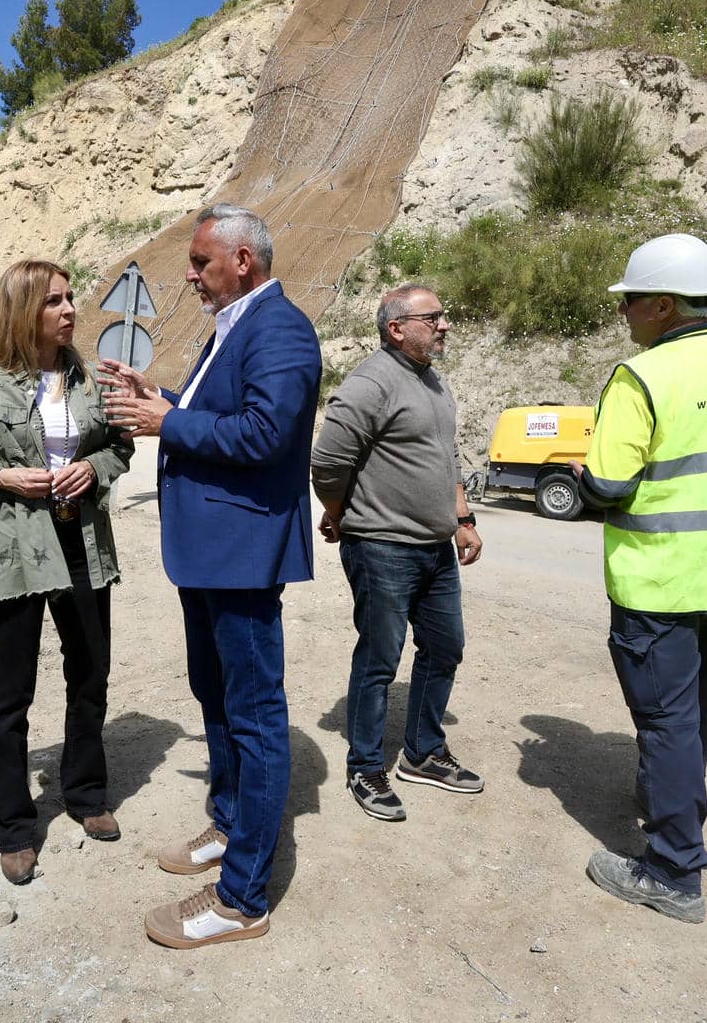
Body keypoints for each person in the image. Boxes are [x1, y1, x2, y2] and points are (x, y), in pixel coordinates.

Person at [99, 203, 321, 950]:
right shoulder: (235, 323)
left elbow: (264, 433)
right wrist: (160, 397)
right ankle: (229, 825)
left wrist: (167, 423)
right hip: (210, 553)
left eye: (200, 262)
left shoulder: (280, 329)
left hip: (241, 556)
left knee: (253, 715)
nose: (190, 275)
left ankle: (241, 898)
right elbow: (215, 410)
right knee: (216, 695)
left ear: (242, 262)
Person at [568, 233, 707, 925]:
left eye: (630, 300)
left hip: (659, 578)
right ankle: (671, 805)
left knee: (665, 720)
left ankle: (672, 870)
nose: (623, 312)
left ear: (664, 304)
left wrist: (581, 480)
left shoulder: (643, 378)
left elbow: (607, 483)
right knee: (694, 708)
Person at [0, 260, 134, 886]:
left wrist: (94, 469)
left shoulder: (89, 379)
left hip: (83, 542)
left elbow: (120, 447)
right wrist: (3, 478)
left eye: (70, 298)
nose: (69, 310)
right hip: (15, 548)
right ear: (23, 310)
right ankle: (15, 827)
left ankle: (87, 794)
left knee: (91, 673)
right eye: (54, 301)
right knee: (12, 690)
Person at [311, 284, 484, 824]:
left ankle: (423, 753)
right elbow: (328, 463)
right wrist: (341, 512)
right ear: (396, 328)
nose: (444, 325)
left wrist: (463, 520)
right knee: (380, 660)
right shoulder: (370, 383)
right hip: (382, 547)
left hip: (436, 549)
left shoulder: (433, 381)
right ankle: (365, 765)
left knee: (445, 647)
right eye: (434, 318)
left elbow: (447, 456)